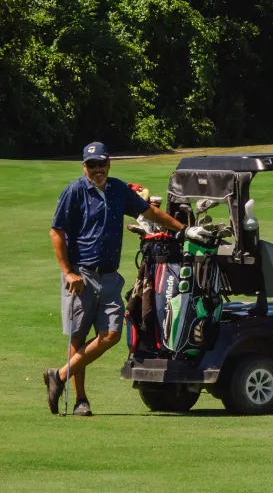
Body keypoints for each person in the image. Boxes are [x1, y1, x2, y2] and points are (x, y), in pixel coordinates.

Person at [44, 142, 189, 416]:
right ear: (84, 166)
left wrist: (183, 229)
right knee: (78, 337)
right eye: (91, 165)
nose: (97, 170)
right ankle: (81, 401)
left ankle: (59, 375)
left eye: (101, 164)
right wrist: (68, 273)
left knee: (110, 335)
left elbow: (149, 212)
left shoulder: (118, 190)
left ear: (109, 164)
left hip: (110, 276)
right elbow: (56, 233)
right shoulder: (74, 191)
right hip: (82, 275)